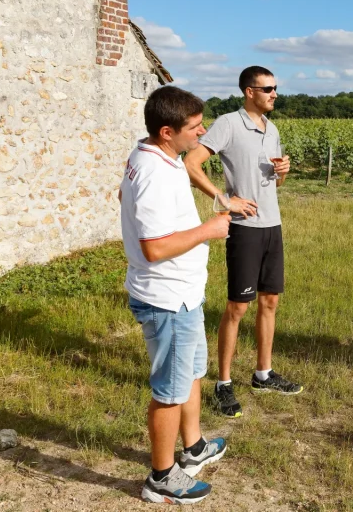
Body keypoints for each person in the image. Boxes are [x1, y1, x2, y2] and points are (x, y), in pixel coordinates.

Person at [120, 86, 231, 504]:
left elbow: (123, 200)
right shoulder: (152, 172)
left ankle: (195, 447)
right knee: (169, 390)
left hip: (183, 293)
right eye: (195, 128)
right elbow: (154, 247)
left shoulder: (151, 155)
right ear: (167, 131)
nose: (202, 134)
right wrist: (208, 229)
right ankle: (161, 477)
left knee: (191, 374)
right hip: (166, 300)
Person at [184, 66, 302, 420]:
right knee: (238, 307)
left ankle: (263, 374)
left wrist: (282, 173)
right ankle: (222, 382)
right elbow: (191, 163)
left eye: (276, 88)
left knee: (270, 302)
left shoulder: (272, 128)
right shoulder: (229, 124)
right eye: (268, 88)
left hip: (273, 224)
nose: (274, 94)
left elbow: (273, 183)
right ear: (249, 91)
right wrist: (224, 199)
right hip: (245, 229)